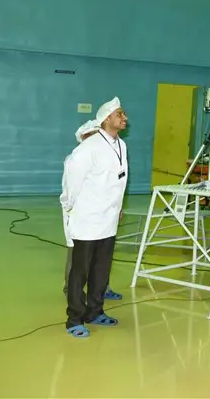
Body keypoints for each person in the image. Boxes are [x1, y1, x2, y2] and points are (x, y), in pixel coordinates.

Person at [60, 97, 130, 338]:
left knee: (101, 269)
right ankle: (74, 319)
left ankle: (95, 311)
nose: (124, 118)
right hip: (88, 219)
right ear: (106, 118)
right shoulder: (88, 149)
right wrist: (70, 207)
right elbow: (72, 180)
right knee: (80, 271)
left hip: (108, 220)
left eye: (124, 114)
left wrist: (118, 206)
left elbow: (118, 181)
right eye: (120, 114)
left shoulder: (121, 146)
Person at [61, 120, 122, 301]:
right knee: (78, 255)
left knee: (101, 256)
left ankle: (103, 288)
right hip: (82, 215)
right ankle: (70, 289)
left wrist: (116, 208)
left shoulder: (109, 156)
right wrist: (72, 210)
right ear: (84, 138)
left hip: (103, 215)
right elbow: (70, 191)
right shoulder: (76, 158)